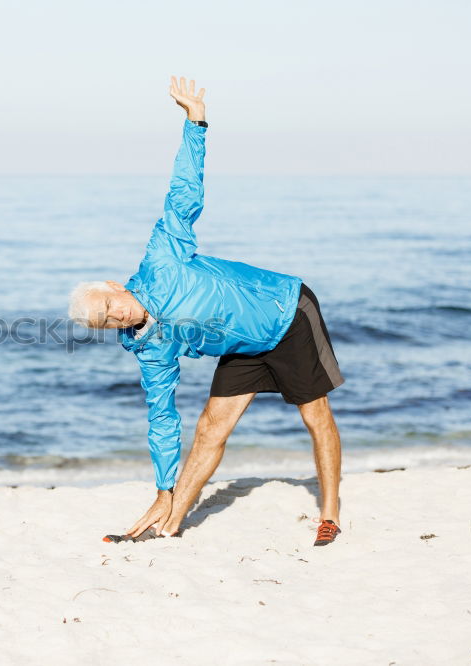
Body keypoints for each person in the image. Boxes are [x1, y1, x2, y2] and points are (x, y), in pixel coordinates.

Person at [68, 76, 345, 547]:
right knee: (209, 426)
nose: (117, 317)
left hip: (286, 313)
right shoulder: (147, 347)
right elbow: (161, 417)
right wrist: (162, 486)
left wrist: (196, 121)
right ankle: (170, 518)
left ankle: (331, 514)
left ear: (115, 287)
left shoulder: (162, 260)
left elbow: (183, 194)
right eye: (106, 322)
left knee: (314, 413)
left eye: (111, 306)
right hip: (242, 345)